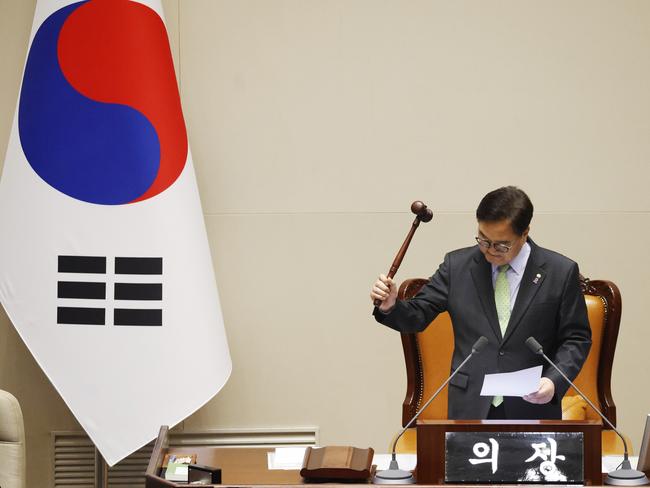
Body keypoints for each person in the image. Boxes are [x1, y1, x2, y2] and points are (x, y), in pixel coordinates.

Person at [370, 186, 591, 420]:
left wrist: (553, 380)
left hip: (533, 402)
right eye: (483, 240)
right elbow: (417, 315)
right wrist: (391, 306)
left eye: (501, 245)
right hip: (470, 403)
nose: (490, 251)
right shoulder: (458, 266)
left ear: (525, 232)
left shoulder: (560, 271)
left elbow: (576, 338)